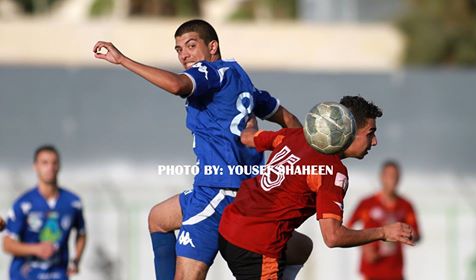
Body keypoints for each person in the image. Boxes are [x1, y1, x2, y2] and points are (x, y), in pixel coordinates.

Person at [93, 19, 309, 280]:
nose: (184, 54)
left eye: (191, 45)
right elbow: (291, 122)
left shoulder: (210, 72)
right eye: (179, 49)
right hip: (238, 191)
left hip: (217, 193)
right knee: (158, 218)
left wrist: (122, 60)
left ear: (212, 47)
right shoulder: (241, 80)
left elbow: (177, 86)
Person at [218, 96, 417, 279]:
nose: (374, 141)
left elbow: (247, 137)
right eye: (370, 133)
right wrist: (383, 233)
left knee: (302, 246)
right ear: (348, 131)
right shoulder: (331, 170)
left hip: (228, 228)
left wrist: (249, 109)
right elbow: (333, 237)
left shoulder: (295, 136)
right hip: (257, 248)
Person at [2, 145, 87, 280]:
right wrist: (36, 249)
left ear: (59, 166)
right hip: (25, 274)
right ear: (35, 166)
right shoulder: (24, 203)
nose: (50, 168)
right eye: (45, 163)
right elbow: (7, 244)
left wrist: (76, 260)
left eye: (54, 163)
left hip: (57, 273)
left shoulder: (72, 202)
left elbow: (81, 233)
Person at [347, 160, 421, 280]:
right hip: (371, 271)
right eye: (390, 175)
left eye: (396, 176)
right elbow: (348, 227)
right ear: (381, 177)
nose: (393, 179)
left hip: (395, 272)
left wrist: (407, 235)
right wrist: (364, 246)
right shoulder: (367, 203)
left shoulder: (405, 205)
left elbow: (417, 234)